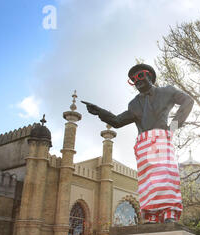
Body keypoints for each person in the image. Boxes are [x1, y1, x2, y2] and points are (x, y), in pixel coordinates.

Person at [81, 63, 194, 224]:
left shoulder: (167, 91)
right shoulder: (134, 104)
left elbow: (188, 101)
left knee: (166, 175)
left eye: (139, 75)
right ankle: (151, 215)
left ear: (149, 75)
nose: (136, 80)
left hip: (162, 138)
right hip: (143, 143)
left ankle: (169, 212)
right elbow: (118, 121)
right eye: (133, 79)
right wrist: (100, 111)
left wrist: (172, 128)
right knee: (147, 180)